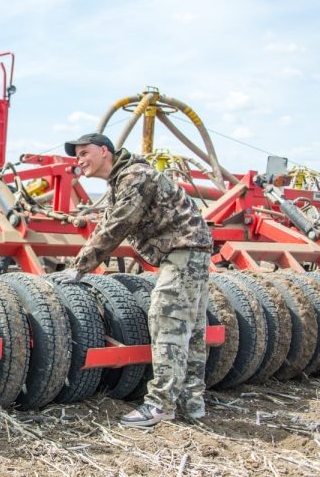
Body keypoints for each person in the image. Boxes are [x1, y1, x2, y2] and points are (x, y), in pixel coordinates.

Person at [54, 132, 212, 428]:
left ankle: (160, 405)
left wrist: (79, 268)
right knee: (191, 328)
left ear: (104, 151)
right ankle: (192, 404)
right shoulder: (122, 181)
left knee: (168, 318)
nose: (80, 161)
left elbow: (117, 225)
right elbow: (108, 222)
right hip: (189, 250)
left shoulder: (135, 176)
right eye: (77, 156)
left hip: (183, 250)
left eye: (85, 153)